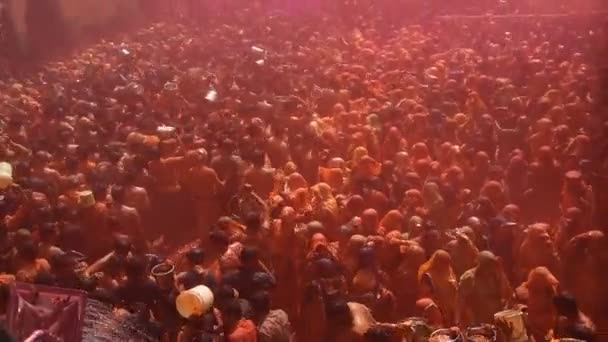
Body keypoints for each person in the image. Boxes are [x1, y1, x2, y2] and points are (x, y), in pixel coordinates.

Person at [458, 251, 512, 326]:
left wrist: (501, 271)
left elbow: (507, 293)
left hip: (496, 318)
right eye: (488, 265)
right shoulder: (469, 278)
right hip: (478, 320)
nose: (490, 268)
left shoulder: (496, 275)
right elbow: (461, 300)